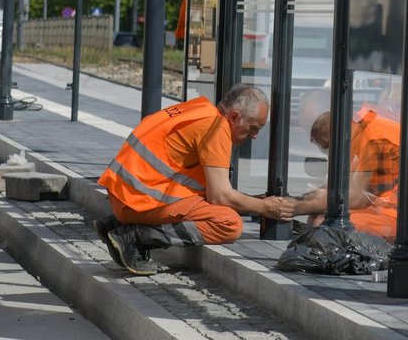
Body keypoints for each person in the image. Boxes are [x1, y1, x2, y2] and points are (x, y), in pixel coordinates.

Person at [95, 85, 294, 275]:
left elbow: (207, 190)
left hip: (124, 197)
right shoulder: (216, 128)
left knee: (216, 205)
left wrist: (251, 200)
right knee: (228, 222)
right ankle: (135, 236)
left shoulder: (199, 109)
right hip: (139, 201)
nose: (255, 136)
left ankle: (120, 225)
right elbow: (220, 197)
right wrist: (264, 207)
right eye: (252, 128)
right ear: (234, 116)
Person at [287, 90, 408, 244]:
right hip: (407, 211)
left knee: (325, 224)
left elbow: (357, 197)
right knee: (322, 218)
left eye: (313, 129)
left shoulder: (375, 140)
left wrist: (295, 208)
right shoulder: (362, 130)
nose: (311, 139)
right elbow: (340, 188)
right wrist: (296, 201)